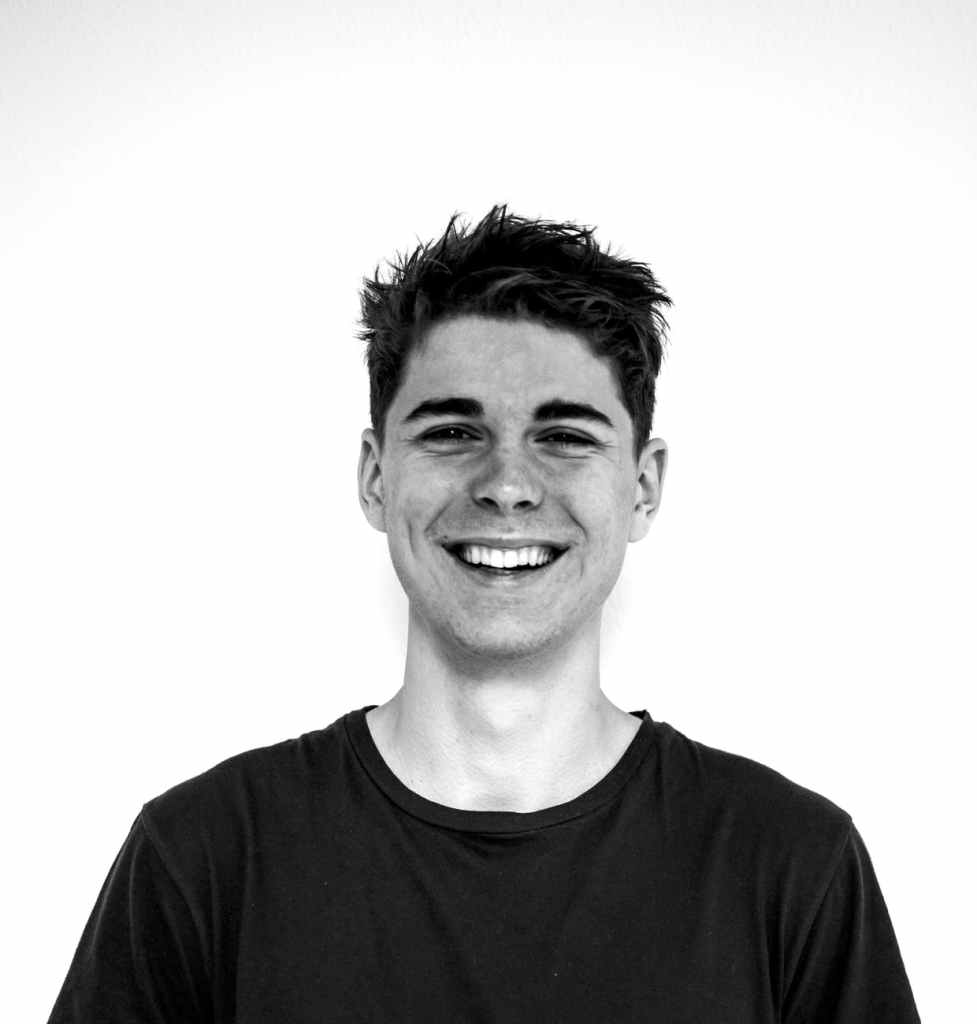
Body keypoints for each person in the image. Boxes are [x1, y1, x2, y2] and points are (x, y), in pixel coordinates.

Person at [48, 206, 921, 1022]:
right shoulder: (203, 858)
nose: (507, 485)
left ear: (644, 486)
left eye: (565, 436)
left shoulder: (791, 867)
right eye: (451, 432)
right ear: (374, 477)